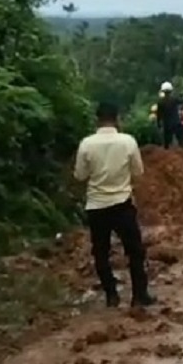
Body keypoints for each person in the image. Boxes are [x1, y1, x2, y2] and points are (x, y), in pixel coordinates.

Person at [74, 99, 155, 308]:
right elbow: (138, 171)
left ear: (97, 120)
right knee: (134, 250)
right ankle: (139, 295)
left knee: (101, 252)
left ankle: (111, 295)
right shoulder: (128, 141)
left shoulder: (86, 144)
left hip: (96, 205)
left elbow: (80, 175)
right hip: (122, 203)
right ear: (117, 119)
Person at [156, 82, 183, 149]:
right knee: (181, 141)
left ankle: (167, 151)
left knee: (166, 143)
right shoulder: (174, 99)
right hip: (176, 123)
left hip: (167, 125)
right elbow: (181, 101)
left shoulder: (160, 102)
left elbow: (158, 115)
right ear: (171, 91)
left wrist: (158, 124)